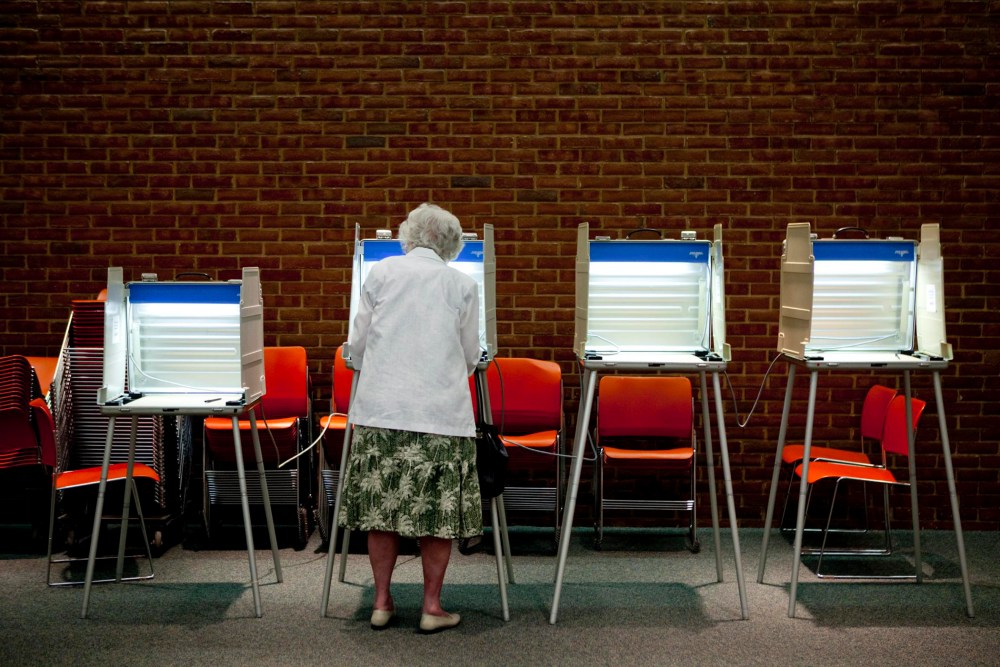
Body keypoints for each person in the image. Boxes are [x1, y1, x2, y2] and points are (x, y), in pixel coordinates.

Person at [338, 203, 483, 634]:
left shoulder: (381, 272)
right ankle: (431, 607)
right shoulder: (462, 284)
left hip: (381, 412)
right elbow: (471, 355)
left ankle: (381, 602)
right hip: (441, 417)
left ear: (408, 236)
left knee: (383, 512)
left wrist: (361, 360)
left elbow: (357, 345)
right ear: (451, 246)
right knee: (436, 515)